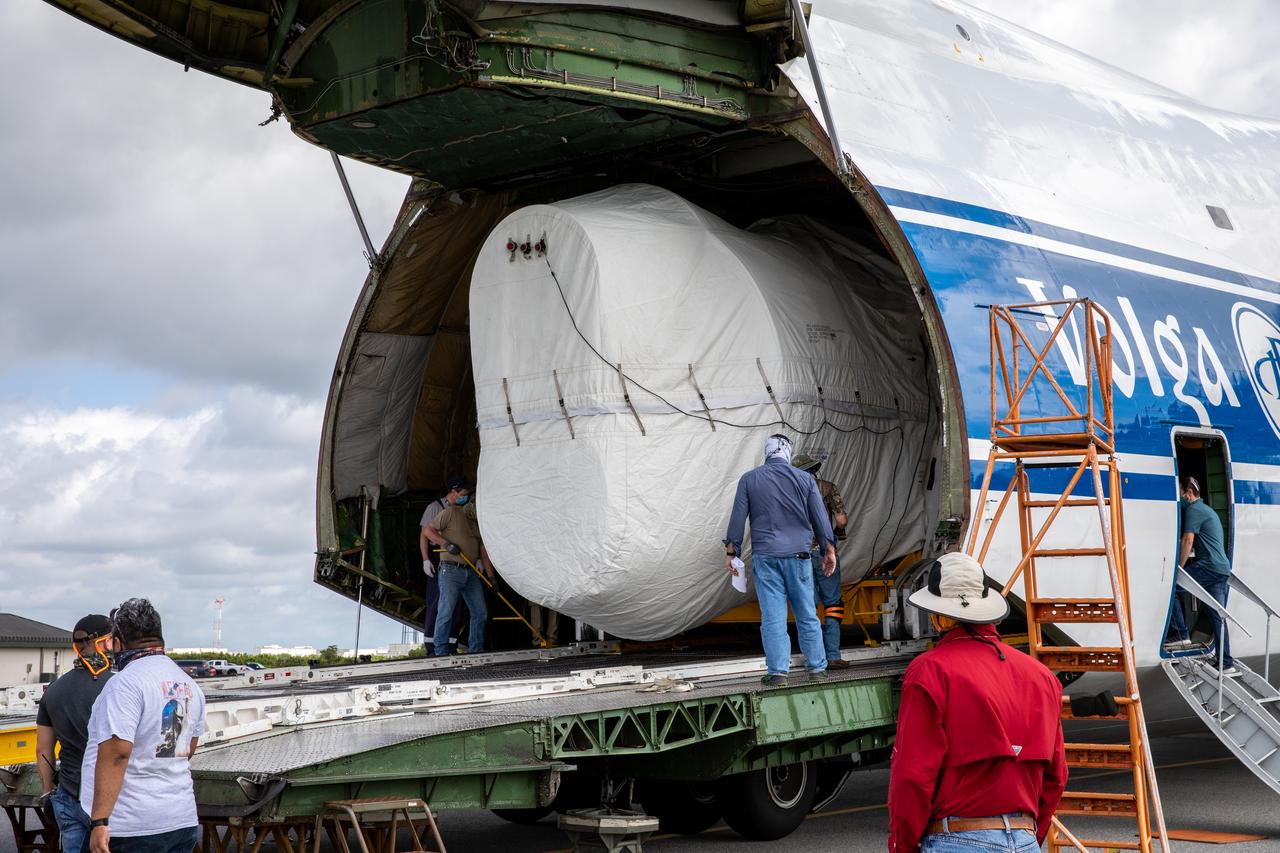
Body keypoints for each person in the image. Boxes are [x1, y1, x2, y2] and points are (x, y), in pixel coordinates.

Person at [888, 553, 1067, 853]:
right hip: (1024, 839)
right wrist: (1026, 835)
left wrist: (902, 846)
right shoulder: (1042, 678)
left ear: (938, 617)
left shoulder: (929, 672)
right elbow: (1056, 777)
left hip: (955, 838)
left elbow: (913, 775)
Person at [82, 599, 206, 853]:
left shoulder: (125, 684)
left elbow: (117, 754)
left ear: (118, 643)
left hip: (131, 826)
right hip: (181, 819)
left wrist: (100, 821)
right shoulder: (189, 684)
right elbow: (188, 747)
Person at [723, 434, 836, 686]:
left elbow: (737, 518)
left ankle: (778, 673)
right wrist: (829, 550)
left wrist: (732, 552)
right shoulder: (805, 479)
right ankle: (817, 669)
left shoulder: (749, 479)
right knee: (807, 613)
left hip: (766, 558)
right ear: (787, 452)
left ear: (767, 452)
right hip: (799, 557)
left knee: (773, 617)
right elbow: (820, 518)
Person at [35, 615, 115, 853]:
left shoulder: (54, 690)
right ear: (103, 642)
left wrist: (47, 793)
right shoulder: (118, 686)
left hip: (68, 794)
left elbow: (43, 749)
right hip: (109, 800)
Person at [1167, 476, 1235, 672]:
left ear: (1189, 493)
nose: (1180, 498)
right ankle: (1226, 663)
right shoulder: (1207, 510)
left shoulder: (1194, 510)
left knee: (1172, 589)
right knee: (1218, 616)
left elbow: (1188, 540)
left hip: (1208, 566)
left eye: (1181, 493)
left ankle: (1181, 634)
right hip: (1222, 569)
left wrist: (1178, 569)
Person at [792, 453, 850, 669]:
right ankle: (833, 655)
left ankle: (814, 658)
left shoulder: (789, 492)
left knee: (808, 605)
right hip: (826, 553)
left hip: (800, 555)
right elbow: (841, 520)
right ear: (814, 469)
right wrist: (838, 533)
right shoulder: (827, 487)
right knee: (833, 603)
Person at [424, 486, 496, 657]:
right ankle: (440, 651)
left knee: (480, 612)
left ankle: (476, 649)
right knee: (446, 611)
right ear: (470, 503)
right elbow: (428, 530)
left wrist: (491, 577)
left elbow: (484, 553)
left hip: (471, 573)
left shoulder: (478, 524)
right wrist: (446, 544)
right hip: (450, 570)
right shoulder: (451, 513)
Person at [420, 475, 469, 655]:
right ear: (454, 492)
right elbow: (424, 535)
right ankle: (432, 647)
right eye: (463, 493)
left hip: (458, 558)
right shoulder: (435, 507)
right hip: (438, 557)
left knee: (455, 603)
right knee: (437, 602)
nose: (466, 497)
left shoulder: (463, 510)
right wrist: (426, 559)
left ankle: (451, 644)